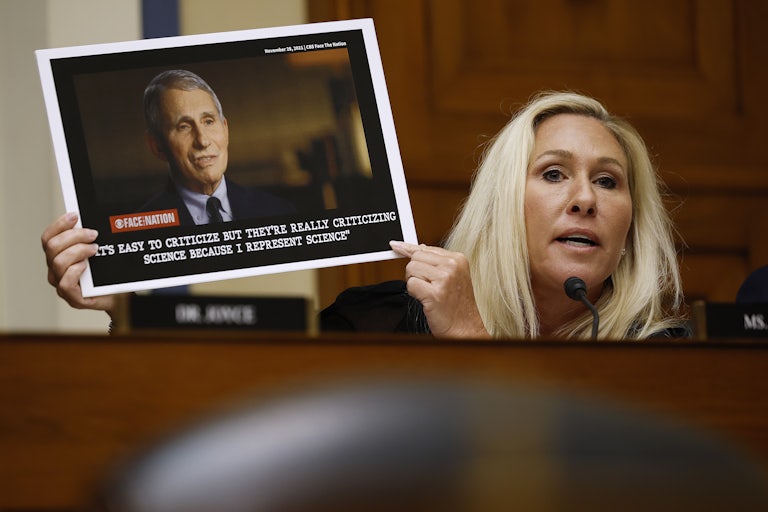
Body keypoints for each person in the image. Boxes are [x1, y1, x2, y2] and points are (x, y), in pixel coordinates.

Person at [42, 91, 689, 339]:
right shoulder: (381, 319)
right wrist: (132, 306)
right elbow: (246, 405)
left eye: (608, 181)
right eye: (553, 173)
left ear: (630, 221)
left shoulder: (676, 361)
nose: (584, 199)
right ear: (499, 205)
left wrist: (471, 344)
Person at [137, 69, 294, 225]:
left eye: (209, 121)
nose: (203, 141)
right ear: (156, 145)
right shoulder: (140, 231)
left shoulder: (280, 211)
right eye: (183, 126)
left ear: (225, 130)